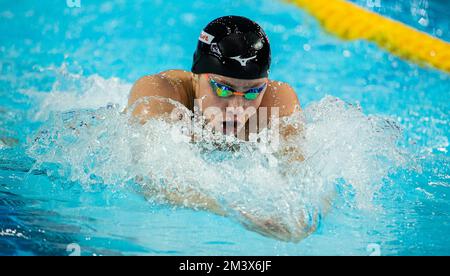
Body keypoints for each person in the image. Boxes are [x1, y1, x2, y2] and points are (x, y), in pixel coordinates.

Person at [128, 16, 314, 242]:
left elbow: (304, 177)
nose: (237, 108)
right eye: (223, 89)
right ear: (196, 76)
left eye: (253, 92)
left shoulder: (276, 102)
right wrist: (233, 209)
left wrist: (304, 220)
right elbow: (152, 177)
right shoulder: (160, 94)